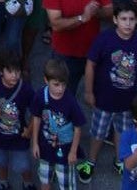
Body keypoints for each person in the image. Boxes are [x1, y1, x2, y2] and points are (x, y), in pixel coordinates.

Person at [76, 0, 137, 184]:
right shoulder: (104, 39)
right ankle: (91, 161)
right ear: (115, 20)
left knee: (122, 132)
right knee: (98, 133)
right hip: (103, 100)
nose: (128, 23)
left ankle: (119, 160)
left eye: (131, 19)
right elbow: (90, 64)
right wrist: (89, 91)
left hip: (128, 103)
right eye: (123, 19)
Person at [43, 0, 113, 92]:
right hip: (65, 56)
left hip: (94, 52)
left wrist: (95, 11)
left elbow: (110, 12)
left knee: (99, 95)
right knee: (63, 97)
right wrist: (83, 17)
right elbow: (56, 24)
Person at [0, 47, 35, 190]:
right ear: (1, 71)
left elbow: (36, 112)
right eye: (10, 71)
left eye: (17, 71)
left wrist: (29, 130)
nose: (14, 76)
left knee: (23, 163)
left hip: (19, 135)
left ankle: (28, 183)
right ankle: (2, 182)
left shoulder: (26, 89)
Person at [30, 57, 85, 190]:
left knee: (66, 184)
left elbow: (78, 128)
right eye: (56, 84)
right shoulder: (40, 96)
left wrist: (73, 152)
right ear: (46, 80)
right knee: (45, 179)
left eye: (63, 84)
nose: (60, 89)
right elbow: (36, 118)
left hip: (65, 151)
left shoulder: (70, 101)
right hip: (45, 147)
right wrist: (35, 143)